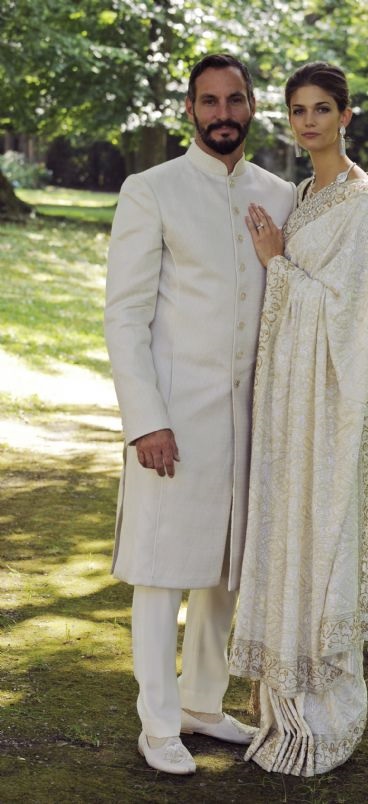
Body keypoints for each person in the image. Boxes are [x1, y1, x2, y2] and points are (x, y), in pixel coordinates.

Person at [104, 53, 296, 775]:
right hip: (172, 421)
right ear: (189, 109)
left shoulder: (280, 196)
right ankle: (157, 722)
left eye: (235, 100)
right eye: (209, 101)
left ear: (251, 108)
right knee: (161, 571)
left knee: (225, 572)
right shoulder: (149, 190)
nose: (222, 113)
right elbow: (123, 317)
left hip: (252, 423)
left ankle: (202, 703)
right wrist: (144, 420)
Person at [229, 62, 368, 776]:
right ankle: (280, 696)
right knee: (287, 521)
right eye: (297, 110)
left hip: (331, 396)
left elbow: (349, 314)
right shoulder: (301, 193)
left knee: (322, 526)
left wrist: (276, 264)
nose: (308, 122)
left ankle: (323, 705)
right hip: (288, 395)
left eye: (321, 109)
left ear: (345, 116)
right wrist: (284, 267)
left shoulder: (364, 200)